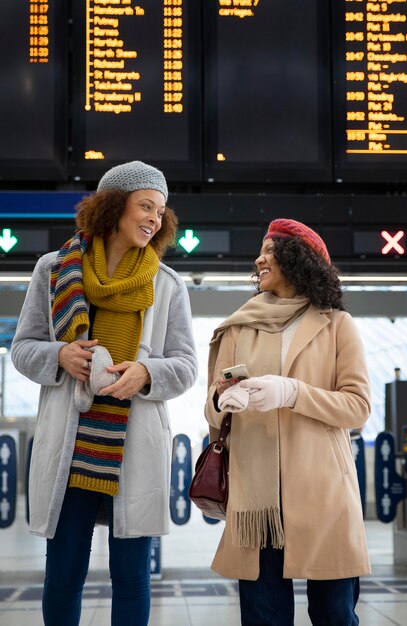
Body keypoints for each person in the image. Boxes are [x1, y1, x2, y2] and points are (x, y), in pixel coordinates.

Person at [11, 160, 198, 626]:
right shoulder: (54, 271)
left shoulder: (167, 284)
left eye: (161, 211)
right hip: (70, 450)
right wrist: (59, 356)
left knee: (132, 577)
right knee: (63, 573)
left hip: (131, 445)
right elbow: (22, 349)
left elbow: (187, 365)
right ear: (114, 207)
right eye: (146, 206)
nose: (155, 218)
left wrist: (146, 373)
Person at [204, 218, 371, 626]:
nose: (259, 258)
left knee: (334, 614)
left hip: (323, 494)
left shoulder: (336, 325)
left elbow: (358, 406)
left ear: (298, 261)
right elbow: (211, 410)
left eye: (269, 251)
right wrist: (225, 400)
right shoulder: (237, 327)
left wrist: (293, 393)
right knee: (264, 617)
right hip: (256, 502)